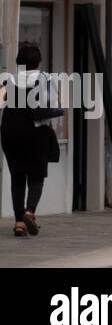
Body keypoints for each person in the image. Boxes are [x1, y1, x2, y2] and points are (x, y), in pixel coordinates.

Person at [2, 42, 64, 236]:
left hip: (10, 132)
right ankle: (30, 212)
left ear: (19, 61)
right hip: (36, 133)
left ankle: (19, 222)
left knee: (17, 177)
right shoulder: (45, 78)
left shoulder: (10, 80)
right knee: (36, 176)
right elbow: (55, 104)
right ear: (38, 61)